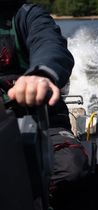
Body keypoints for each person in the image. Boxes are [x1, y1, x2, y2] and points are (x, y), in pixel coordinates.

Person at [0, 0, 88, 184]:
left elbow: (50, 44)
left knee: (71, 165)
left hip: (42, 122)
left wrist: (41, 74)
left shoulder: (28, 15)